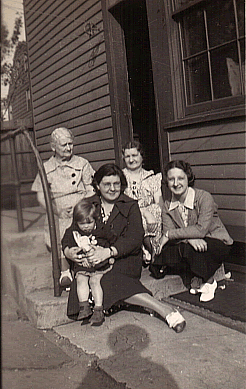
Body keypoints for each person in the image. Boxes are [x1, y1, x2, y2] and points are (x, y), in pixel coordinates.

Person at [65, 163, 186, 333]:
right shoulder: (88, 204)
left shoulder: (130, 205)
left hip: (124, 258)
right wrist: (68, 252)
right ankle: (115, 302)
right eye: (107, 184)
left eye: (116, 184)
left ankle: (163, 310)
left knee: (108, 280)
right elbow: (71, 233)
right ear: (98, 185)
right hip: (94, 262)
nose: (112, 188)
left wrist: (108, 252)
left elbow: (135, 238)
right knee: (91, 279)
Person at [154, 160, 233, 302]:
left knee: (189, 250)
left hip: (215, 241)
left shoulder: (203, 197)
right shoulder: (167, 205)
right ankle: (199, 276)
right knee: (170, 253)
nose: (176, 183)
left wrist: (171, 235)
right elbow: (168, 230)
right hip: (191, 244)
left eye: (180, 178)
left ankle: (209, 282)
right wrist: (190, 238)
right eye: (171, 179)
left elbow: (201, 230)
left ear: (188, 178)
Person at [31, 127, 95, 287]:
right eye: (64, 145)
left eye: (71, 144)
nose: (68, 148)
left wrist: (82, 206)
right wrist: (57, 210)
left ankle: (86, 267)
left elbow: (91, 188)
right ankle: (65, 272)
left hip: (81, 207)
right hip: (58, 211)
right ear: (53, 147)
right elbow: (41, 196)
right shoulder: (45, 168)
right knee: (59, 230)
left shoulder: (82, 163)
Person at [62, 198, 116, 325]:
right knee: (80, 279)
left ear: (95, 219)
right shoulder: (73, 232)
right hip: (83, 265)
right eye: (82, 224)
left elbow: (113, 240)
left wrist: (109, 253)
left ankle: (98, 310)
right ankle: (84, 307)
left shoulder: (102, 230)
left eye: (89, 222)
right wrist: (69, 252)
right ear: (76, 222)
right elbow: (65, 242)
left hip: (99, 264)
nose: (86, 227)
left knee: (94, 281)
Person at [122, 140, 163, 264]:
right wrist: (144, 212)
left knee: (156, 210)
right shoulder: (120, 176)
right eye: (127, 156)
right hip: (128, 214)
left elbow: (159, 202)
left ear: (141, 156)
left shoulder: (151, 177)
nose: (131, 160)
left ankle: (152, 250)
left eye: (134, 155)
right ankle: (151, 251)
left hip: (151, 217)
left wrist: (150, 212)